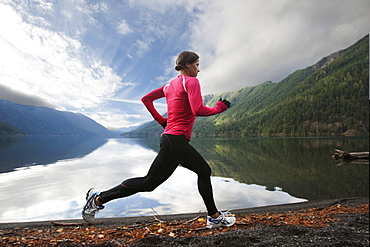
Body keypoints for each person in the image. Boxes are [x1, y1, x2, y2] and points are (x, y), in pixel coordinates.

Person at [82, 51, 236, 228]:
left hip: (176, 140)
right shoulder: (191, 81)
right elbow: (197, 109)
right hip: (175, 140)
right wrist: (219, 108)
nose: (198, 70)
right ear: (187, 65)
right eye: (196, 65)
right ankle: (98, 198)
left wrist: (162, 121)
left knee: (203, 170)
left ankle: (214, 217)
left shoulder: (169, 86)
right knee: (149, 183)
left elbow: (146, 99)